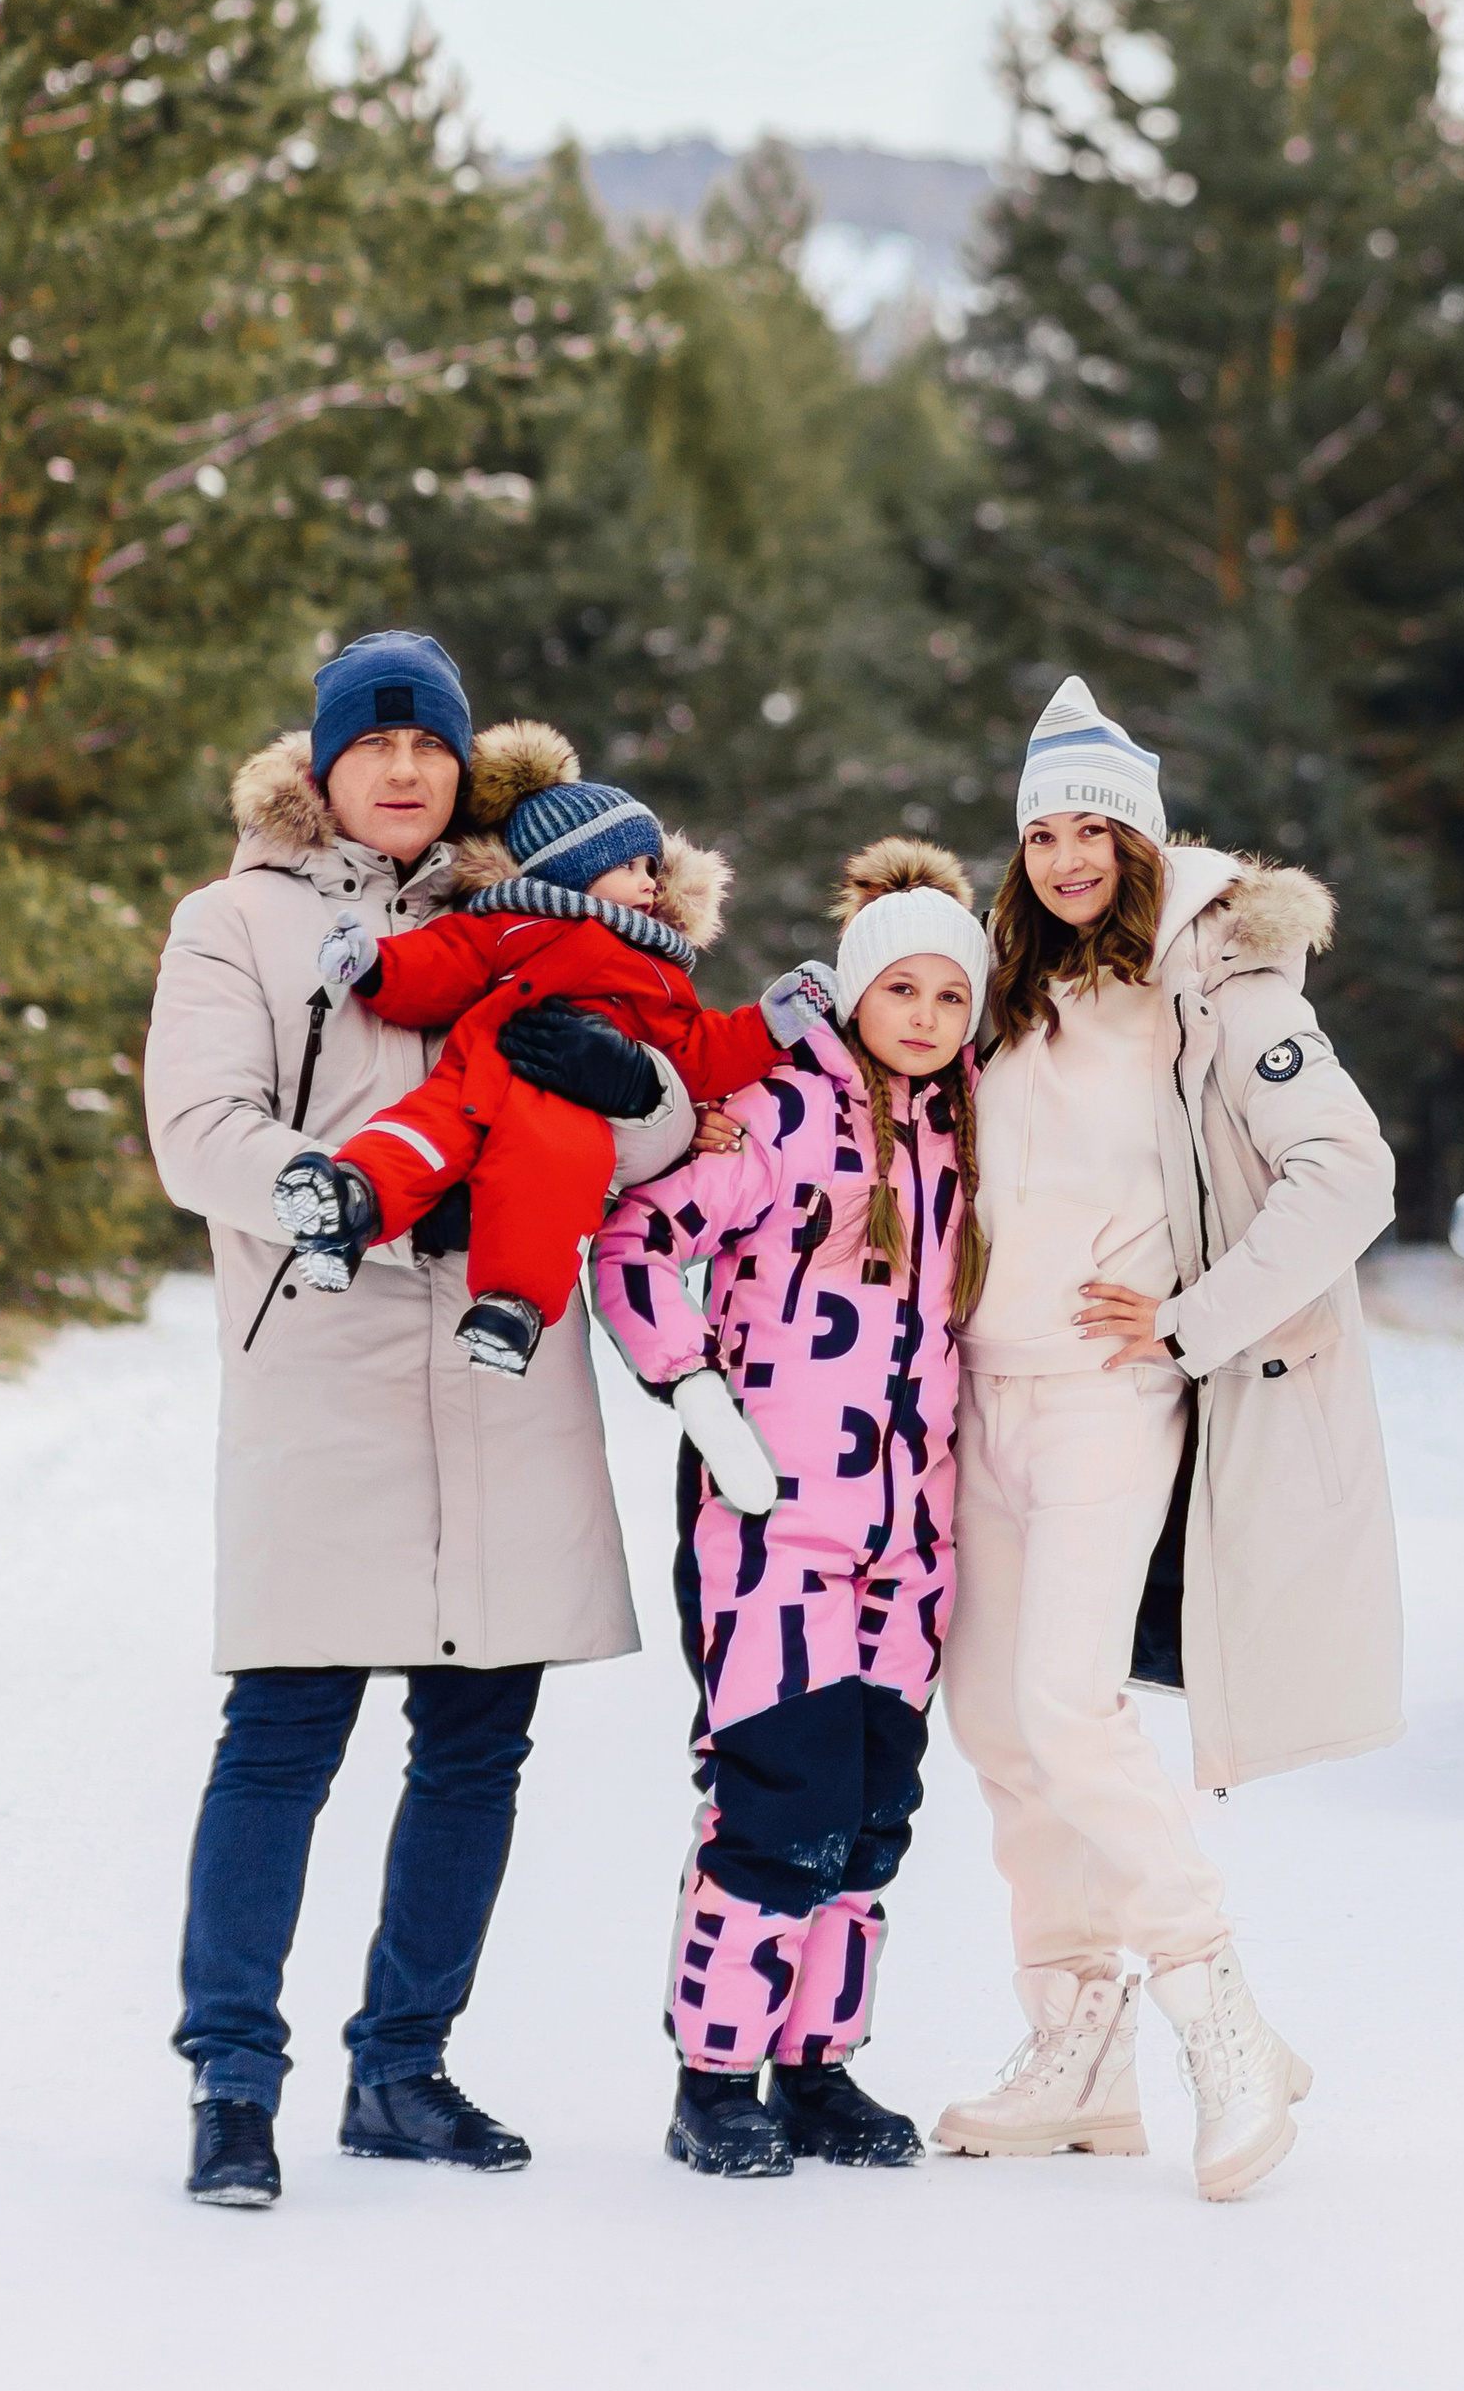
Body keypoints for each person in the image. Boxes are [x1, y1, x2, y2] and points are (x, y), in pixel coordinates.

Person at [143, 632, 704, 2215]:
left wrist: (626, 1086)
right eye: (372, 745)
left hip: (504, 1355)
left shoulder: (528, 910)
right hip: (324, 1352)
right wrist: (332, 1198)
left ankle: (402, 2068)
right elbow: (197, 1129)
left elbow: (666, 1123)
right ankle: (231, 2081)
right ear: (320, 766)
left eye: (429, 748)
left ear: (464, 769)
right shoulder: (232, 922)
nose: (402, 770)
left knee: (477, 1749)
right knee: (283, 1740)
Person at [935, 677, 1403, 2203]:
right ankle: (1075, 2055)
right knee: (1004, 1732)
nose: (1068, 857)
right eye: (1044, 833)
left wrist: (1198, 1317)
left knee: (1070, 1707)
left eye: (1095, 828)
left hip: (1109, 1398)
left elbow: (1347, 1173)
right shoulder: (1009, 983)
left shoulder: (1218, 979)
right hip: (979, 1398)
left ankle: (1224, 2018)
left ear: (1143, 837)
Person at [593, 839, 989, 2179]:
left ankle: (819, 2068)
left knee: (875, 1816)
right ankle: (716, 2076)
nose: (926, 1016)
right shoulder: (772, 1117)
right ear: (858, 994)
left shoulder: (969, 1138)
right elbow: (634, 1243)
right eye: (902, 990)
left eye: (952, 994)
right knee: (780, 1806)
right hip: (775, 1531)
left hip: (911, 1544)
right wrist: (697, 1397)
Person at [276, 720, 830, 1377]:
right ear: (573, 870)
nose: (650, 881)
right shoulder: (512, 927)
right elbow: (440, 963)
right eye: (628, 866)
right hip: (476, 1075)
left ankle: (514, 1306)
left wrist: (767, 1028)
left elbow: (696, 1049)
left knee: (551, 1185)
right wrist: (372, 965)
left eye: (652, 866)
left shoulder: (656, 970)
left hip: (569, 1110)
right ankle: (350, 1203)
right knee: (416, 1134)